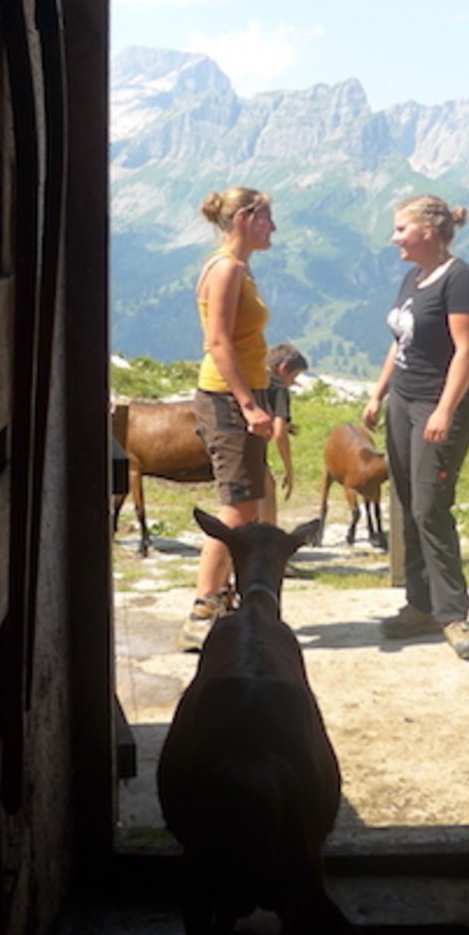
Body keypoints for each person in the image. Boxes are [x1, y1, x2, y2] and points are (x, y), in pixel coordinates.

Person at [363, 195, 469, 661]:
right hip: (404, 400)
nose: (394, 238)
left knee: (431, 505)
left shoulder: (462, 280)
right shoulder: (413, 277)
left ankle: (452, 614)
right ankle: (419, 605)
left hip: (439, 404)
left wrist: (444, 410)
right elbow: (401, 341)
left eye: (401, 229)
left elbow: (466, 352)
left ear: (428, 231)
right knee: (409, 501)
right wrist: (379, 393)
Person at [180, 187, 279, 650]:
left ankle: (225, 600)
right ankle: (203, 608)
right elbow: (218, 343)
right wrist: (249, 404)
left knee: (249, 503)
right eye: (266, 219)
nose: (273, 228)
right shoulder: (226, 269)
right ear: (244, 218)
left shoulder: (239, 268)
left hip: (242, 391)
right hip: (226, 396)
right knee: (238, 507)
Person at [261, 342, 309, 526]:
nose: (294, 382)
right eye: (294, 376)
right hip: (252, 445)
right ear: (283, 369)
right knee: (267, 487)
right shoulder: (279, 388)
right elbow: (280, 432)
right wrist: (289, 469)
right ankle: (267, 539)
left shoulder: (254, 376)